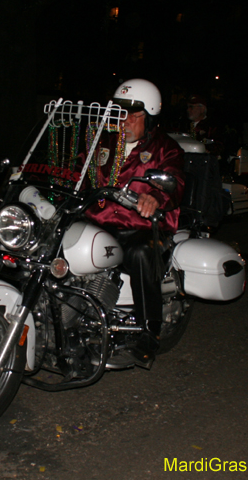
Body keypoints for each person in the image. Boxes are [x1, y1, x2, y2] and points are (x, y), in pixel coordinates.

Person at [85, 79, 185, 368]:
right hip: (100, 221)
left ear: (150, 116)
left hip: (143, 227)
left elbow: (175, 182)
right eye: (119, 112)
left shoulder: (166, 148)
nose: (123, 121)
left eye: (132, 114)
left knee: (141, 254)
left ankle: (148, 330)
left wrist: (155, 195)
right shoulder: (102, 141)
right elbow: (77, 169)